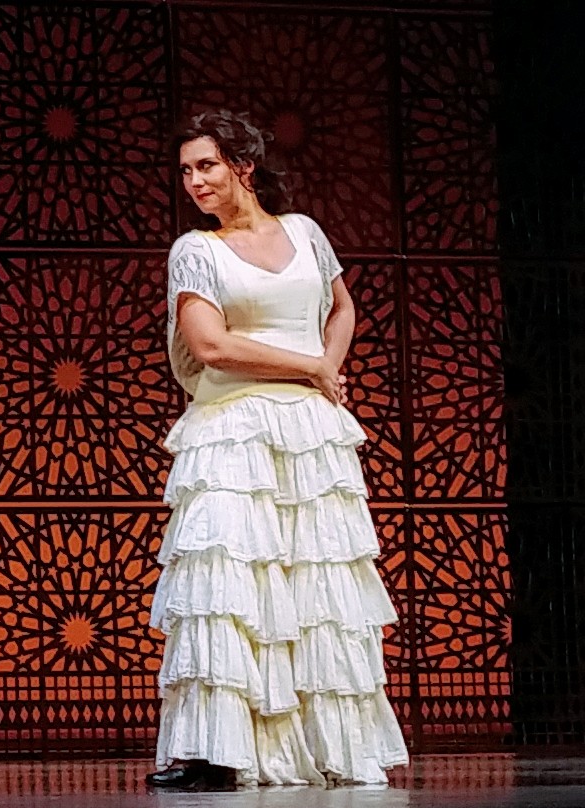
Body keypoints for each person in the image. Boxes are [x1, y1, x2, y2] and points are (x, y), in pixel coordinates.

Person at [145, 110, 409, 790]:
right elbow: (210, 345)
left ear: (244, 165)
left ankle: (328, 747)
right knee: (229, 588)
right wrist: (310, 367)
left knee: (314, 591)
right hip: (231, 428)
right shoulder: (195, 250)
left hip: (310, 432)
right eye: (185, 170)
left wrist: (327, 366)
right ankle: (216, 751)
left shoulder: (304, 232)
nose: (194, 181)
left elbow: (341, 307)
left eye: (206, 165)